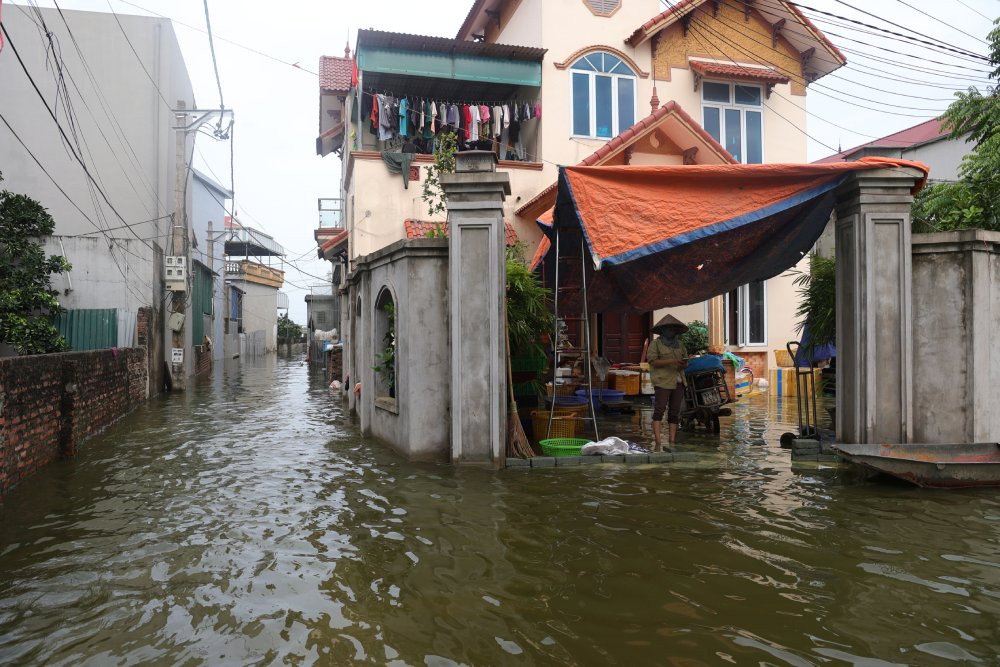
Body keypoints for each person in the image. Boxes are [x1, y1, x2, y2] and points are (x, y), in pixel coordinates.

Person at [646, 314, 689, 451]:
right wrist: (672, 361)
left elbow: (684, 361)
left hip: (679, 381)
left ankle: (672, 441)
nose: (671, 331)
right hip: (662, 381)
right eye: (668, 328)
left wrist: (684, 364)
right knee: (659, 410)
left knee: (674, 412)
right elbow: (652, 361)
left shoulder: (680, 345)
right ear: (663, 330)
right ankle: (658, 442)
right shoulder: (655, 344)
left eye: (673, 328)